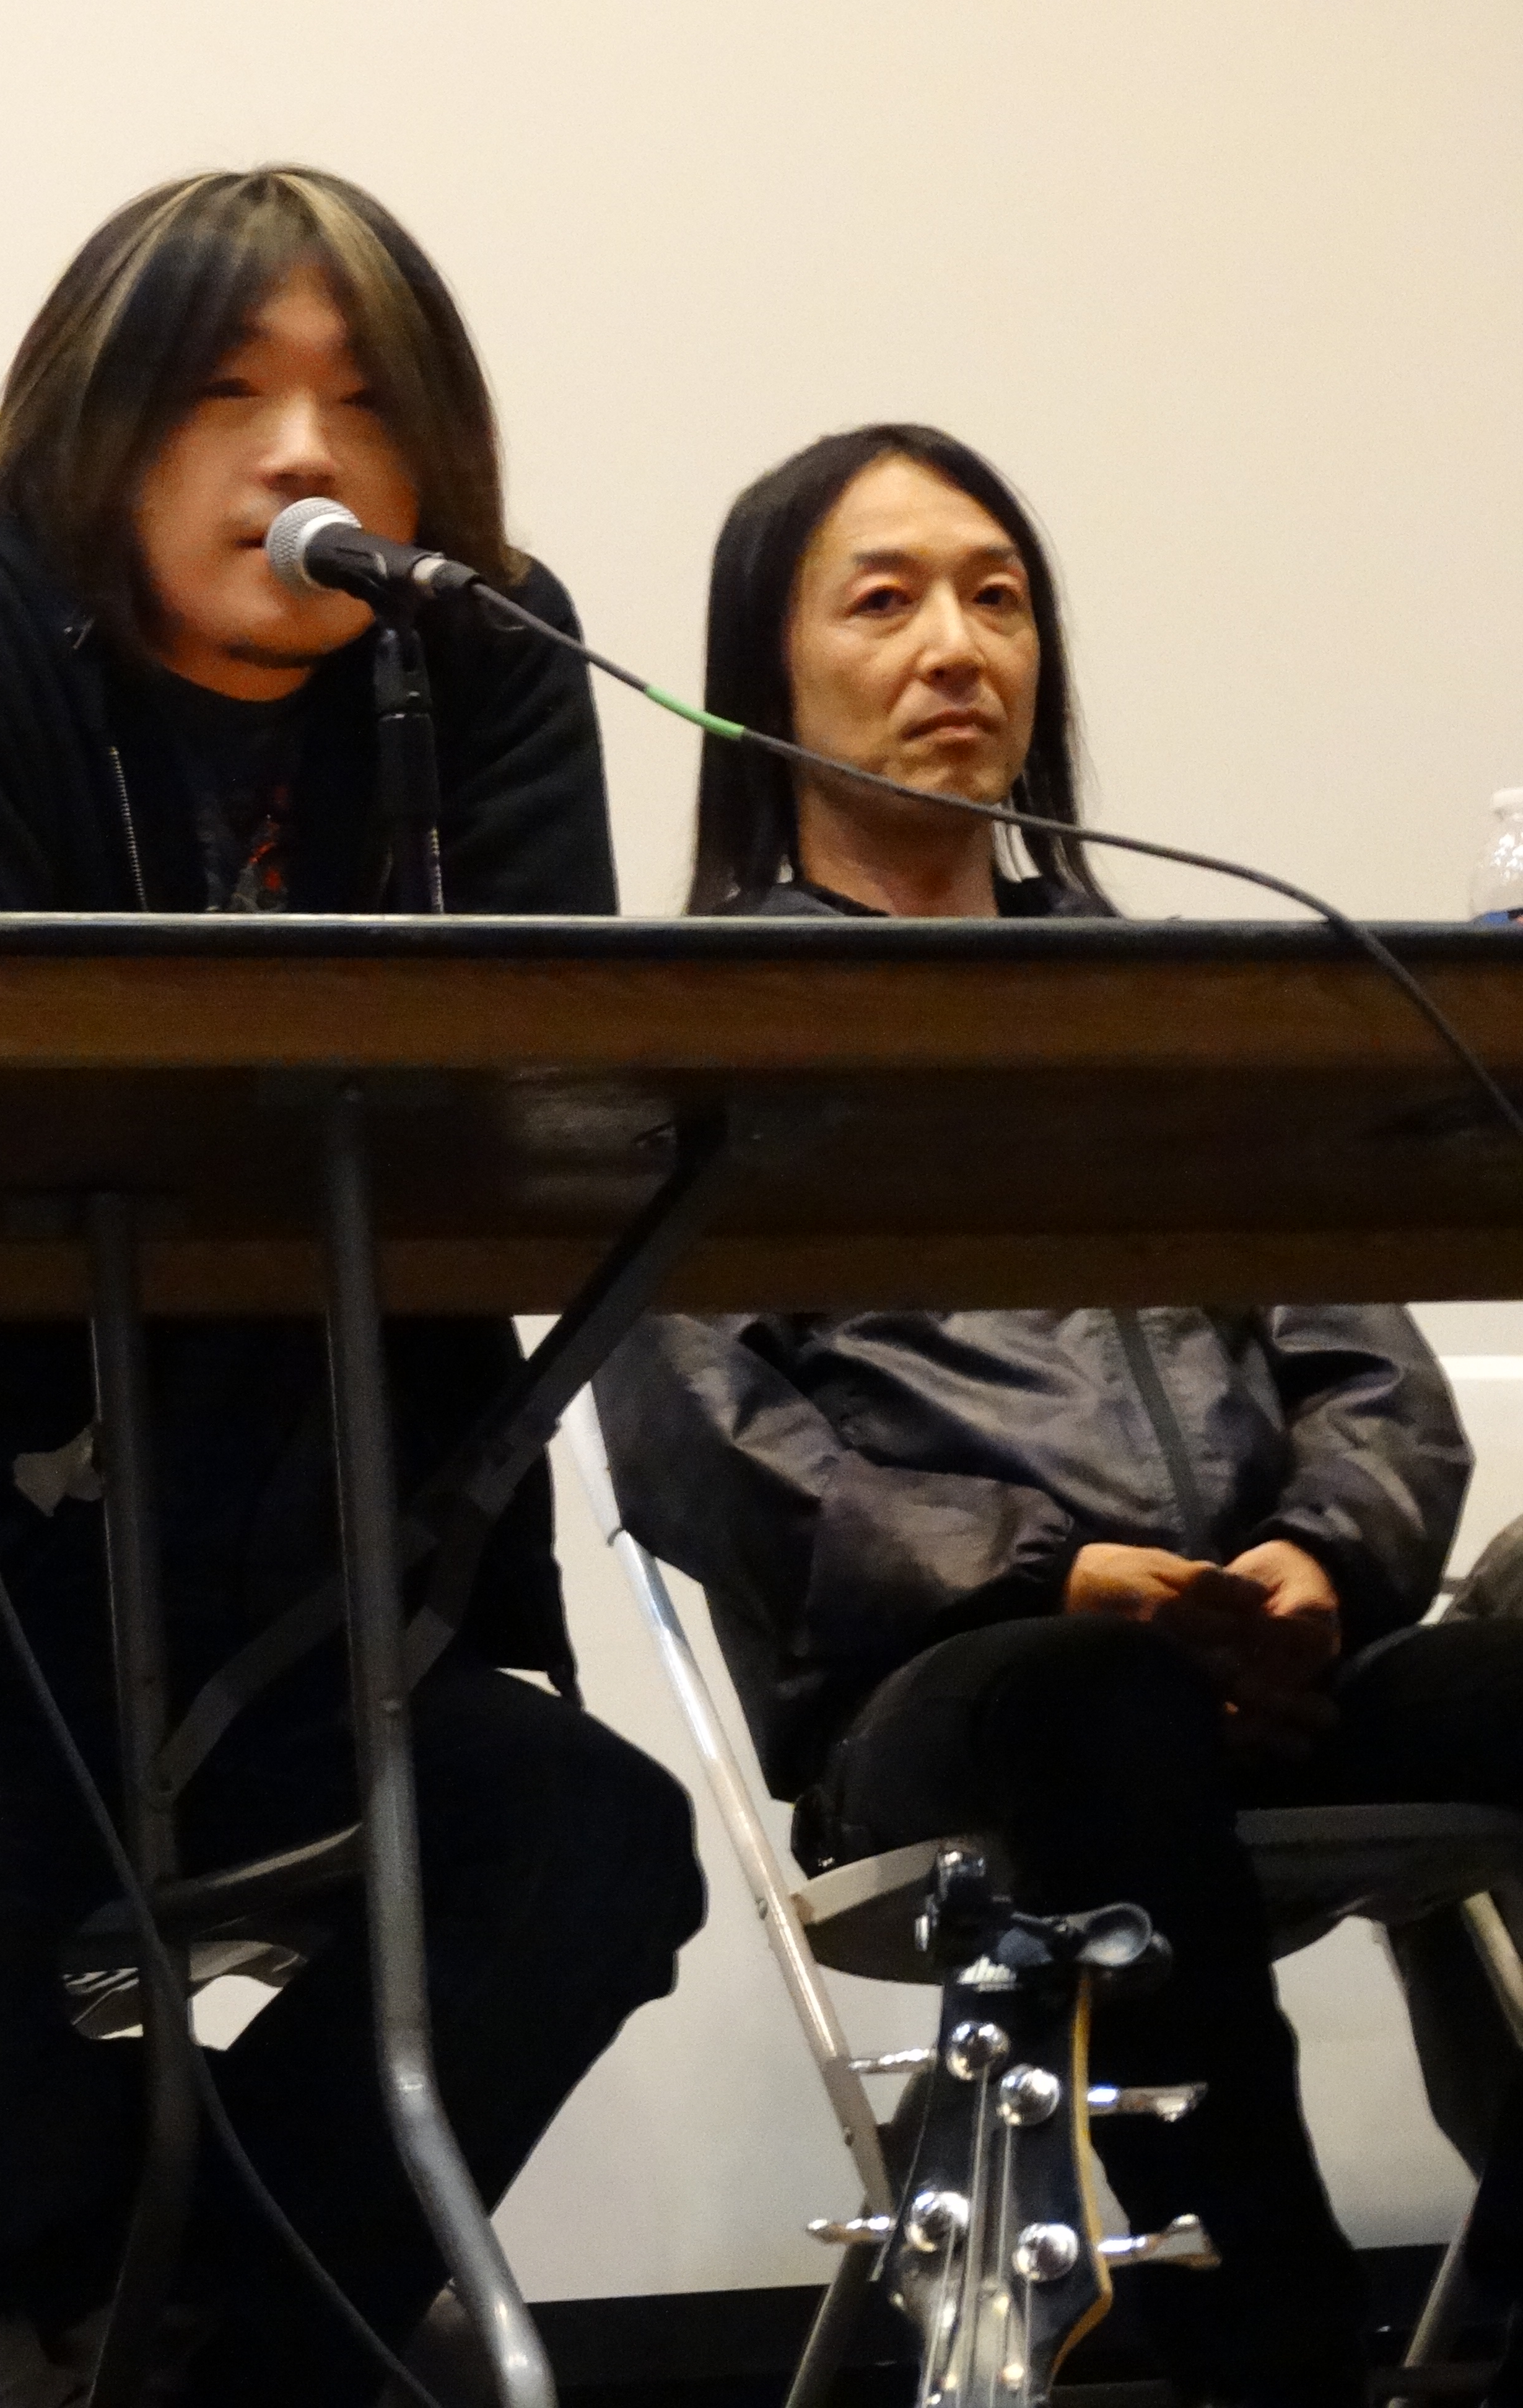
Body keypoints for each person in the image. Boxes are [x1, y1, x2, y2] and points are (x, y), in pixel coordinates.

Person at [0, 168, 705, 2408]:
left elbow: (525, 1094)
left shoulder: (490, 648)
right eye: (227, 397)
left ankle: (160, 2348)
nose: (305, 459)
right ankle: (247, 2320)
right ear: (97, 424)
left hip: (339, 1620)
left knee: (588, 1847)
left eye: (369, 406)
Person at [596, 422, 1522, 2407]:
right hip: (948, 1697)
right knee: (1099, 1705)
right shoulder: (700, 1023)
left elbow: (1372, 1375)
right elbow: (691, 1437)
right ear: (765, 679)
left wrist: (1313, 1563)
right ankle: (1277, 2352)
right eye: (886, 599)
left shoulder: (1163, 1005)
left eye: (998, 596)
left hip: (1266, 1655)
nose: (957, 645)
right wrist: (1055, 1575)